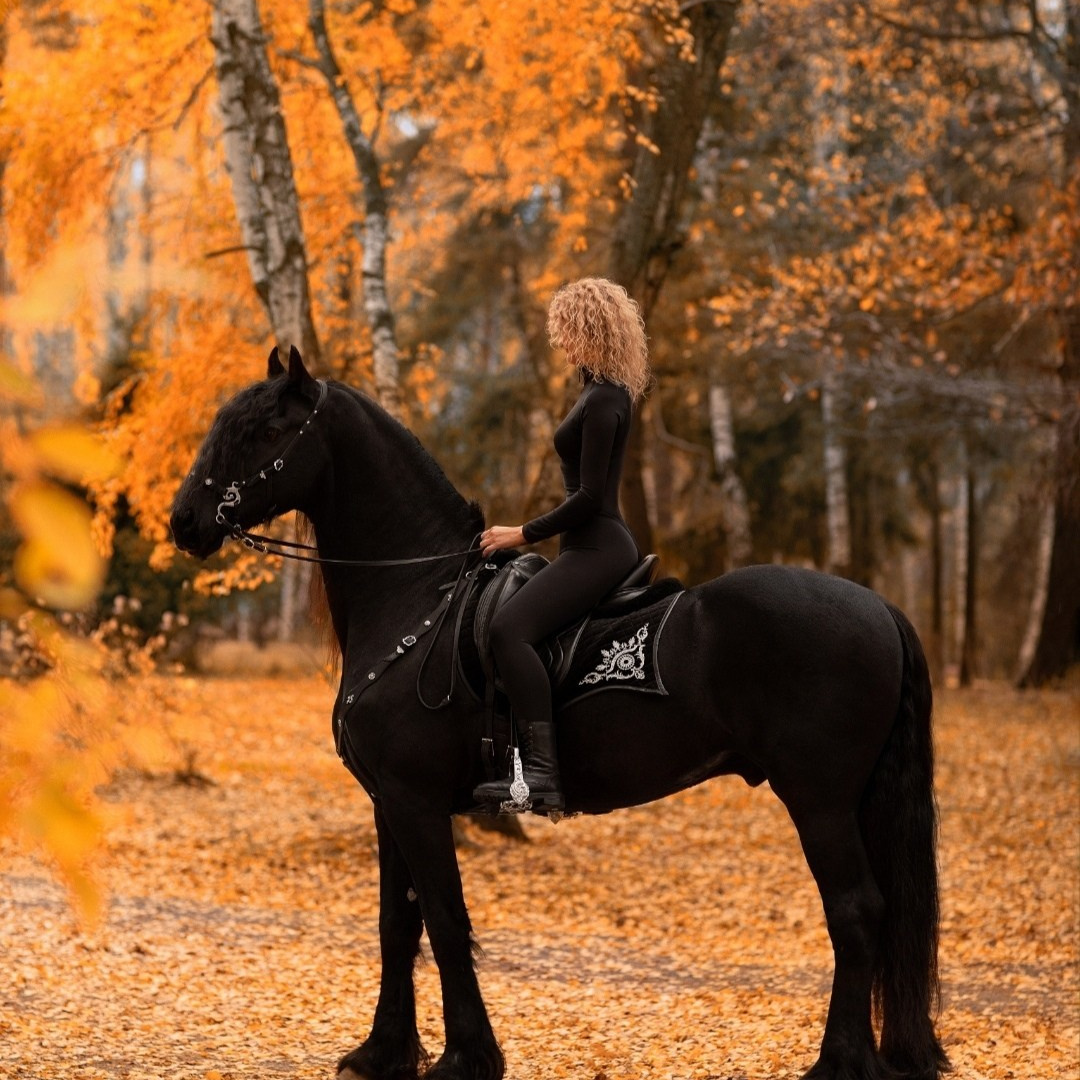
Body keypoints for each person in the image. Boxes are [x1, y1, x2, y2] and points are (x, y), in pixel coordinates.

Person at [472, 277, 650, 811]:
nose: (561, 342)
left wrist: (520, 533)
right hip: (584, 546)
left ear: (590, 329)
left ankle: (542, 777)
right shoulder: (597, 392)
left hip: (598, 546)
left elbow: (591, 497)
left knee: (509, 630)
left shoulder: (604, 401)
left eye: (568, 331)